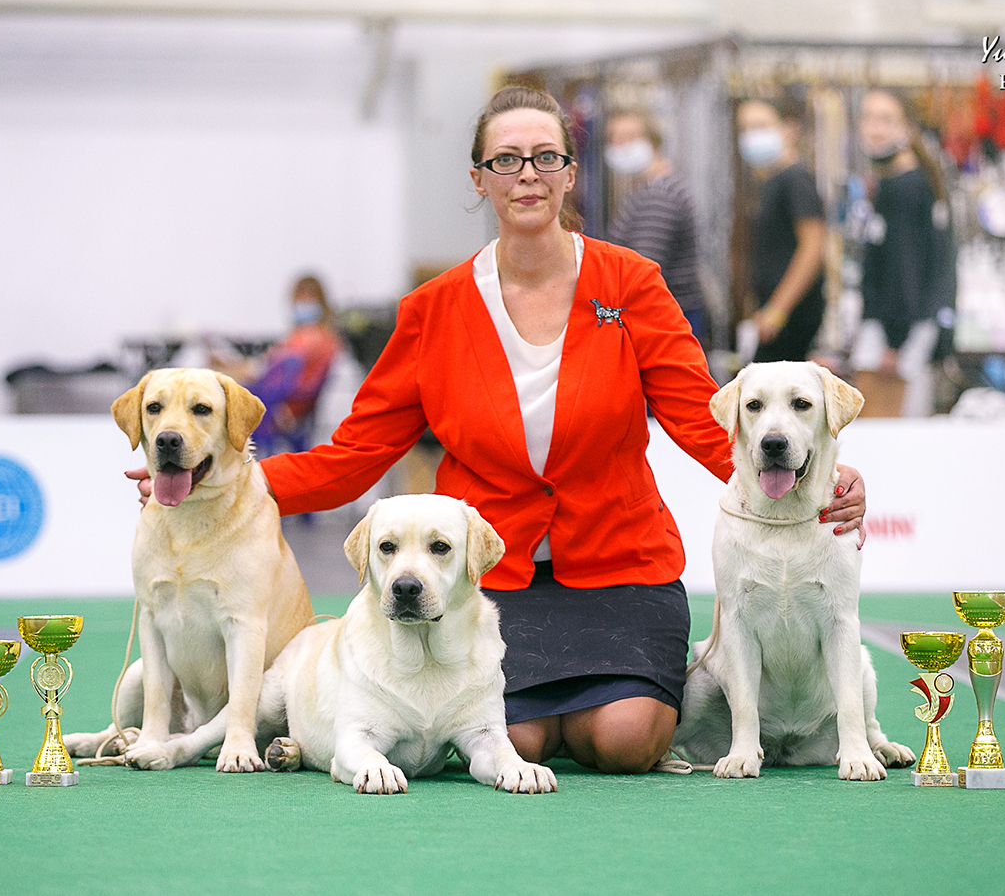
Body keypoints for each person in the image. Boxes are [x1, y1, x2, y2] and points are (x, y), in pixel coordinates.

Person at [133, 87, 867, 774]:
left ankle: (593, 715)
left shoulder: (632, 285)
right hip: (492, 577)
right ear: (479, 178)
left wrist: (813, 478)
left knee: (626, 738)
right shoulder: (432, 310)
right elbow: (355, 456)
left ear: (570, 173)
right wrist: (213, 480)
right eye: (506, 160)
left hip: (621, 563)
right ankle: (550, 720)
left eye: (547, 157)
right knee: (514, 738)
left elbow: (702, 418)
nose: (528, 175)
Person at [852, 89, 954, 415]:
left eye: (886, 119)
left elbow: (906, 269)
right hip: (904, 333)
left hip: (895, 338)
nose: (874, 127)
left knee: (885, 439)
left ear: (908, 128)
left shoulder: (905, 188)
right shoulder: (905, 183)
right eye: (867, 117)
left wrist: (894, 343)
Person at [603, 110, 708, 348]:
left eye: (629, 137)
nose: (619, 146)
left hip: (664, 323)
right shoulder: (649, 190)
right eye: (614, 138)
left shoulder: (659, 195)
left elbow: (642, 266)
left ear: (654, 142)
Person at [736, 94, 828, 363]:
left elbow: (812, 248)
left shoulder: (796, 179)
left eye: (761, 125)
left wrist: (778, 310)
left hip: (791, 315)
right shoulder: (769, 181)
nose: (752, 135)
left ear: (789, 129)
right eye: (745, 128)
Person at [210, 275, 342, 455]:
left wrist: (234, 369)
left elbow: (273, 371)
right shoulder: (300, 337)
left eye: (308, 299)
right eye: (299, 298)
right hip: (276, 400)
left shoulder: (316, 339)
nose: (302, 304)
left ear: (321, 302)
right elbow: (268, 365)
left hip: (282, 408)